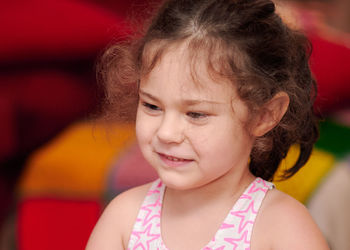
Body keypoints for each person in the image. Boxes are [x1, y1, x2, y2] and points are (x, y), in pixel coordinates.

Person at [86, 0, 329, 249]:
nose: (166, 133)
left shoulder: (282, 227)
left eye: (196, 114)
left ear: (264, 115)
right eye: (152, 106)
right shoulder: (125, 217)